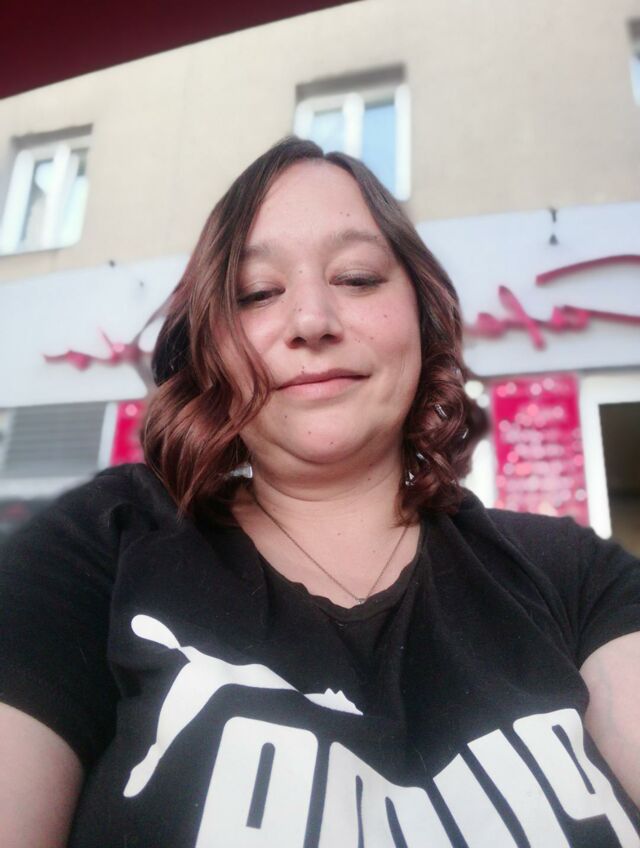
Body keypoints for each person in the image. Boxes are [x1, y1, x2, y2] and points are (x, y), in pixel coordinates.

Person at [0, 137, 639, 848]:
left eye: (358, 278)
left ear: (423, 319)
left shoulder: (572, 575)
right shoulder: (99, 549)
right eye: (257, 293)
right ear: (209, 347)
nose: (311, 321)